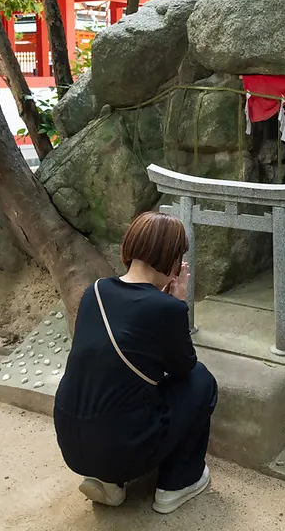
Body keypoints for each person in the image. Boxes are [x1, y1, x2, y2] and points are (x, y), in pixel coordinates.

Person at [53, 212, 217, 514]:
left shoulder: (96, 291)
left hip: (70, 443)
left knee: (120, 391)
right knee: (202, 381)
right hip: (121, 447)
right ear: (172, 259)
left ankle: (109, 481)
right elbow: (184, 367)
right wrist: (177, 302)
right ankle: (178, 482)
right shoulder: (167, 308)